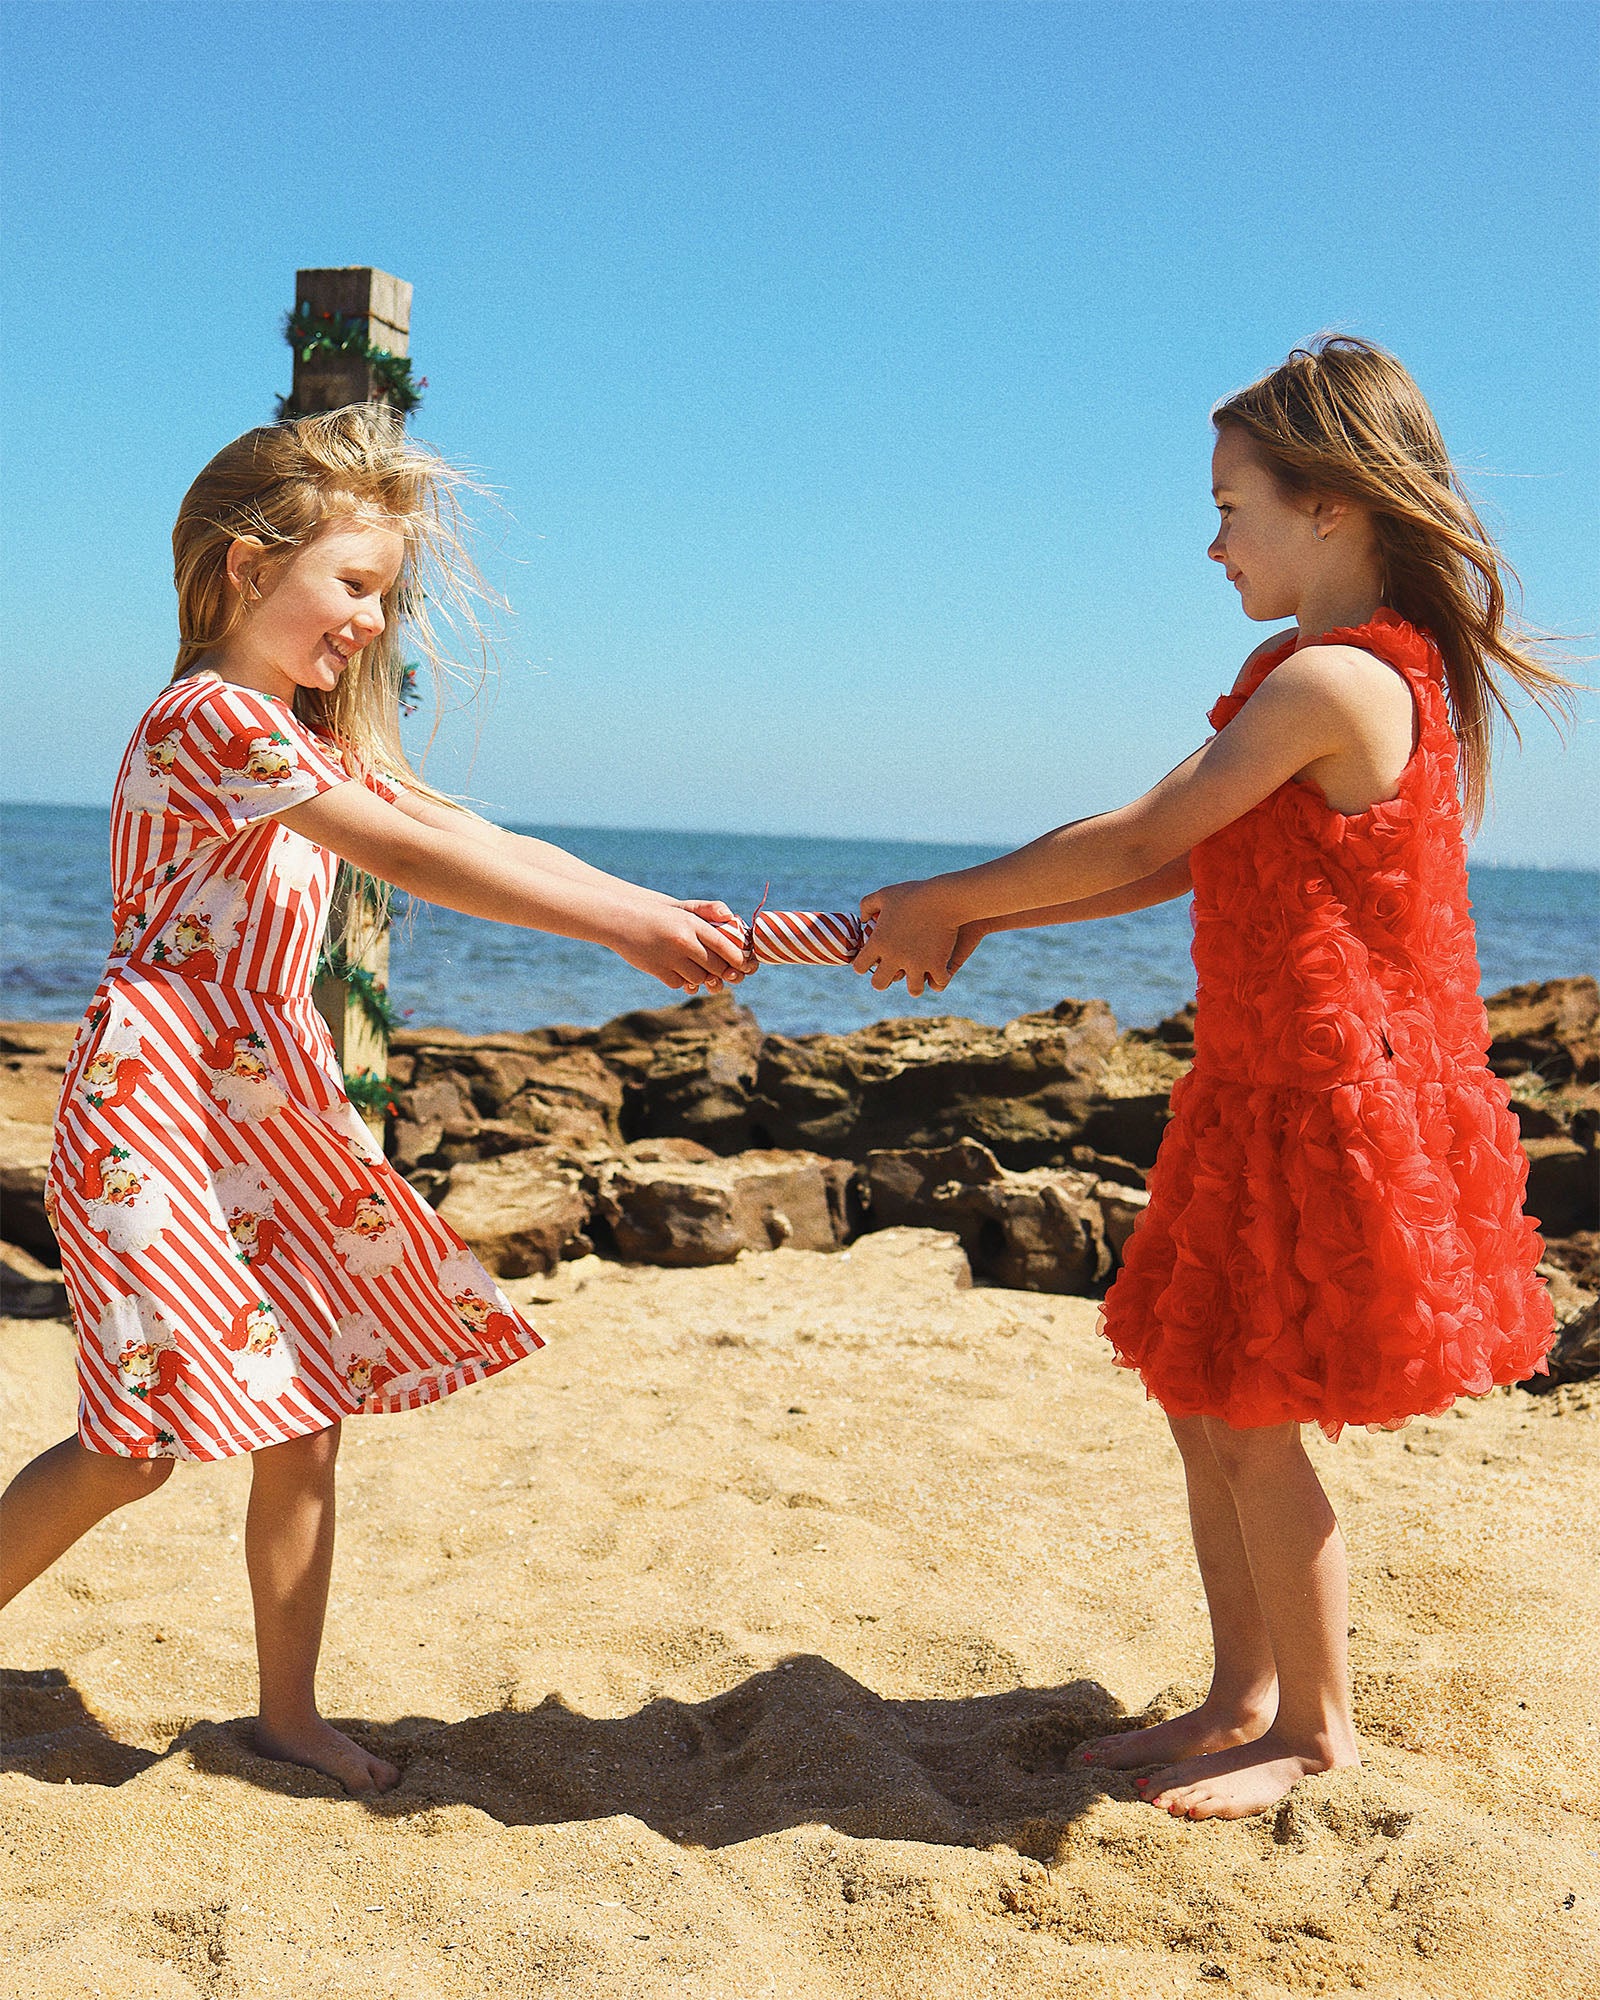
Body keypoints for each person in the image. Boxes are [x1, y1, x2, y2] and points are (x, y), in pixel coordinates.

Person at [852, 335, 1577, 1821]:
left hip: (1330, 1098)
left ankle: (1315, 1731)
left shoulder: (1339, 679)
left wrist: (947, 894)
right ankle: (1240, 1696)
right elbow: (1182, 855)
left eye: (1232, 503)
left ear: (1332, 505)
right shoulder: (1297, 675)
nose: (1212, 537)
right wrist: (977, 914)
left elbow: (1137, 835)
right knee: (1199, 1395)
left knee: (1250, 1412)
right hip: (1257, 1080)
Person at [0, 404, 747, 1793]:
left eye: (384, 596)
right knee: (134, 1449)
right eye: (353, 585)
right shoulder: (207, 721)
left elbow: (463, 828)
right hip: (157, 1114)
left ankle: (287, 1714)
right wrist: (622, 940)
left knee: (305, 1415)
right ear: (244, 566)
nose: (369, 622)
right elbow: (409, 857)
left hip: (269, 1106)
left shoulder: (304, 735)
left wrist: (653, 905)